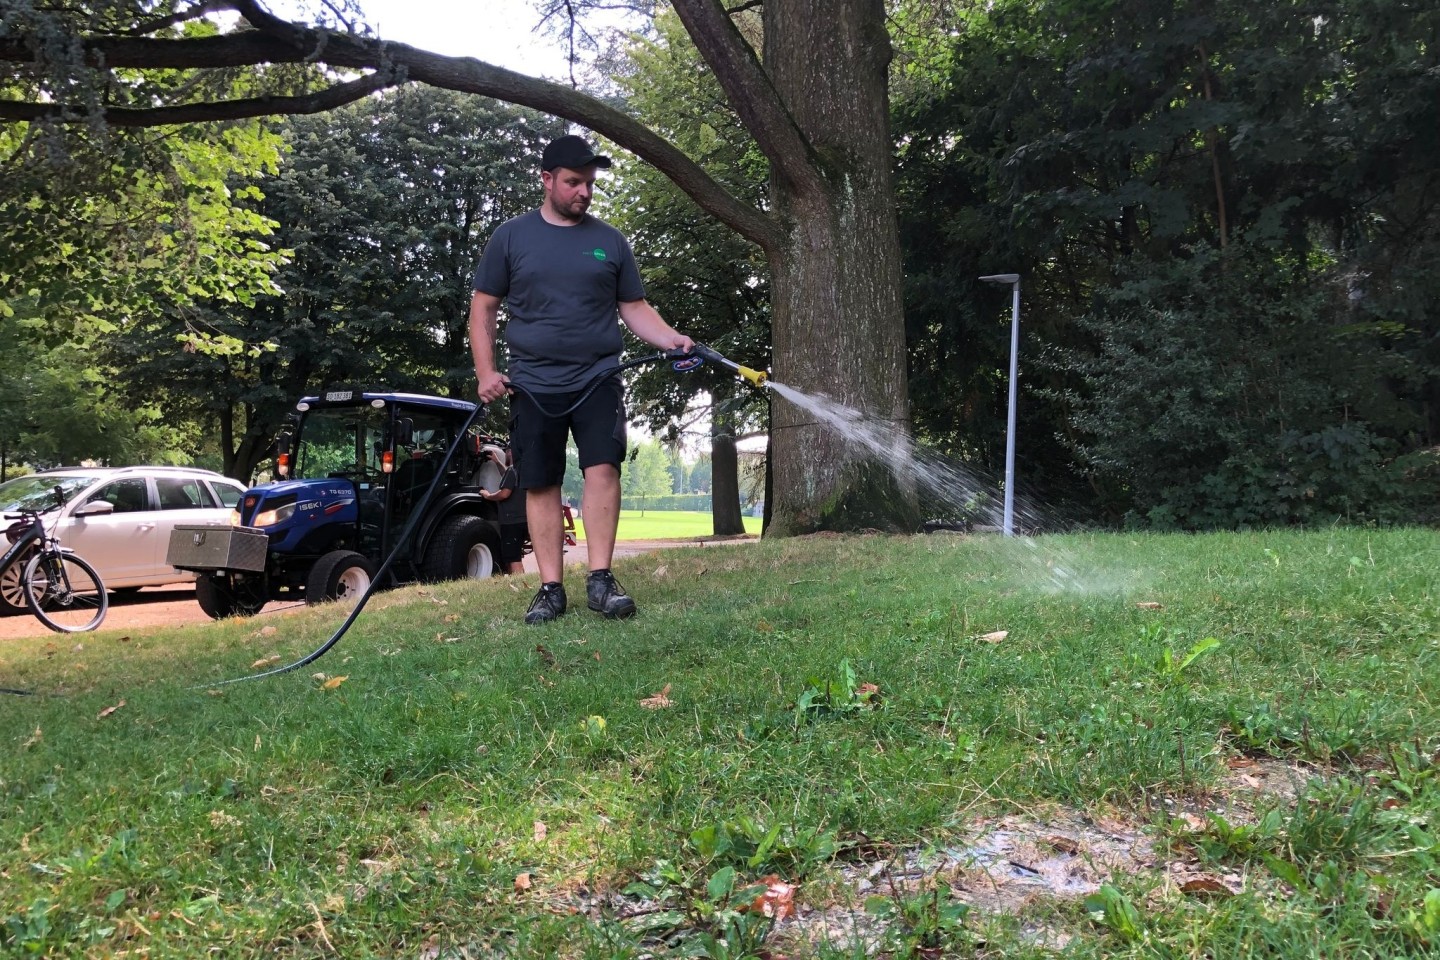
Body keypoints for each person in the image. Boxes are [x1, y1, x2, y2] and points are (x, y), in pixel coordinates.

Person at [469, 133, 694, 624]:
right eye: (574, 182)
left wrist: (671, 338)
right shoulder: (510, 238)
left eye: (589, 184)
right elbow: (484, 306)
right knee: (541, 481)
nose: (584, 192)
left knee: (603, 469)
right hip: (532, 383)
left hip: (599, 377)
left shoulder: (610, 241)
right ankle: (551, 588)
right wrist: (486, 371)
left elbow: (633, 307)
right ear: (546, 180)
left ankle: (601, 580)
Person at [478, 445, 527, 575]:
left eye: (506, 451)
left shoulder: (512, 470)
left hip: (511, 521)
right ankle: (515, 584)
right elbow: (508, 477)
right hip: (523, 520)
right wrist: (497, 461)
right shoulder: (523, 470)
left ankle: (520, 585)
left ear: (510, 452)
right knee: (514, 554)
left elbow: (505, 493)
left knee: (513, 557)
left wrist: (488, 495)